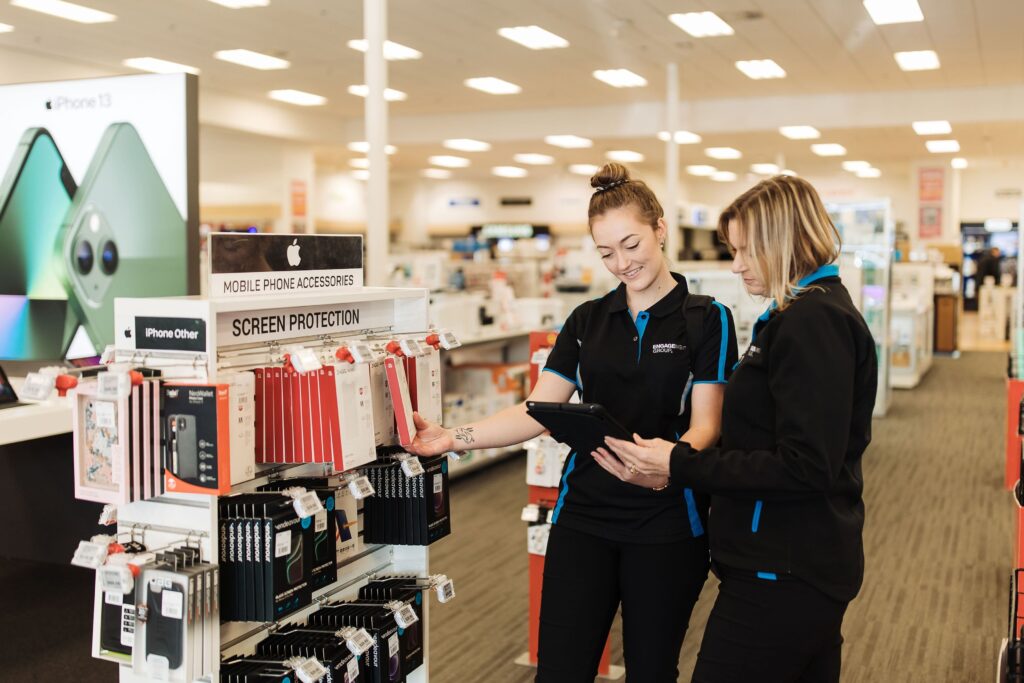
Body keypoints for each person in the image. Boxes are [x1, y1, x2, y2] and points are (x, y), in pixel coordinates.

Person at [405, 162, 738, 682]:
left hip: (669, 520)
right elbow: (536, 410)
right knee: (560, 670)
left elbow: (707, 426)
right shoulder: (586, 320)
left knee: (652, 669)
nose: (622, 263)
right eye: (607, 253)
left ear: (660, 229)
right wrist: (454, 438)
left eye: (632, 244)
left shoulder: (707, 318)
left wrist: (667, 466)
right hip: (583, 516)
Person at [598, 174, 877, 683]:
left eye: (748, 250)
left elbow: (805, 465)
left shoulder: (812, 322)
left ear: (786, 241)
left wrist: (679, 462)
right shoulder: (798, 314)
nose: (737, 264)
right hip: (790, 562)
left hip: (783, 571)